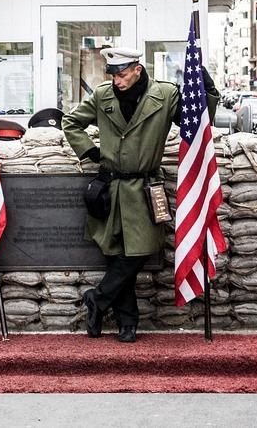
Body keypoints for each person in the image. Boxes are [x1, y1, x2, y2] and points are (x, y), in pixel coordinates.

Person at [62, 47, 218, 344]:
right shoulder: (102, 95)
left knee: (141, 250)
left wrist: (206, 88)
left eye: (121, 75)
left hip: (145, 188)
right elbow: (71, 122)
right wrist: (90, 150)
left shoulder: (165, 94)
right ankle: (127, 322)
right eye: (113, 75)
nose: (117, 81)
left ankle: (98, 298)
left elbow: (196, 123)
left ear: (137, 69)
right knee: (116, 254)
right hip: (111, 187)